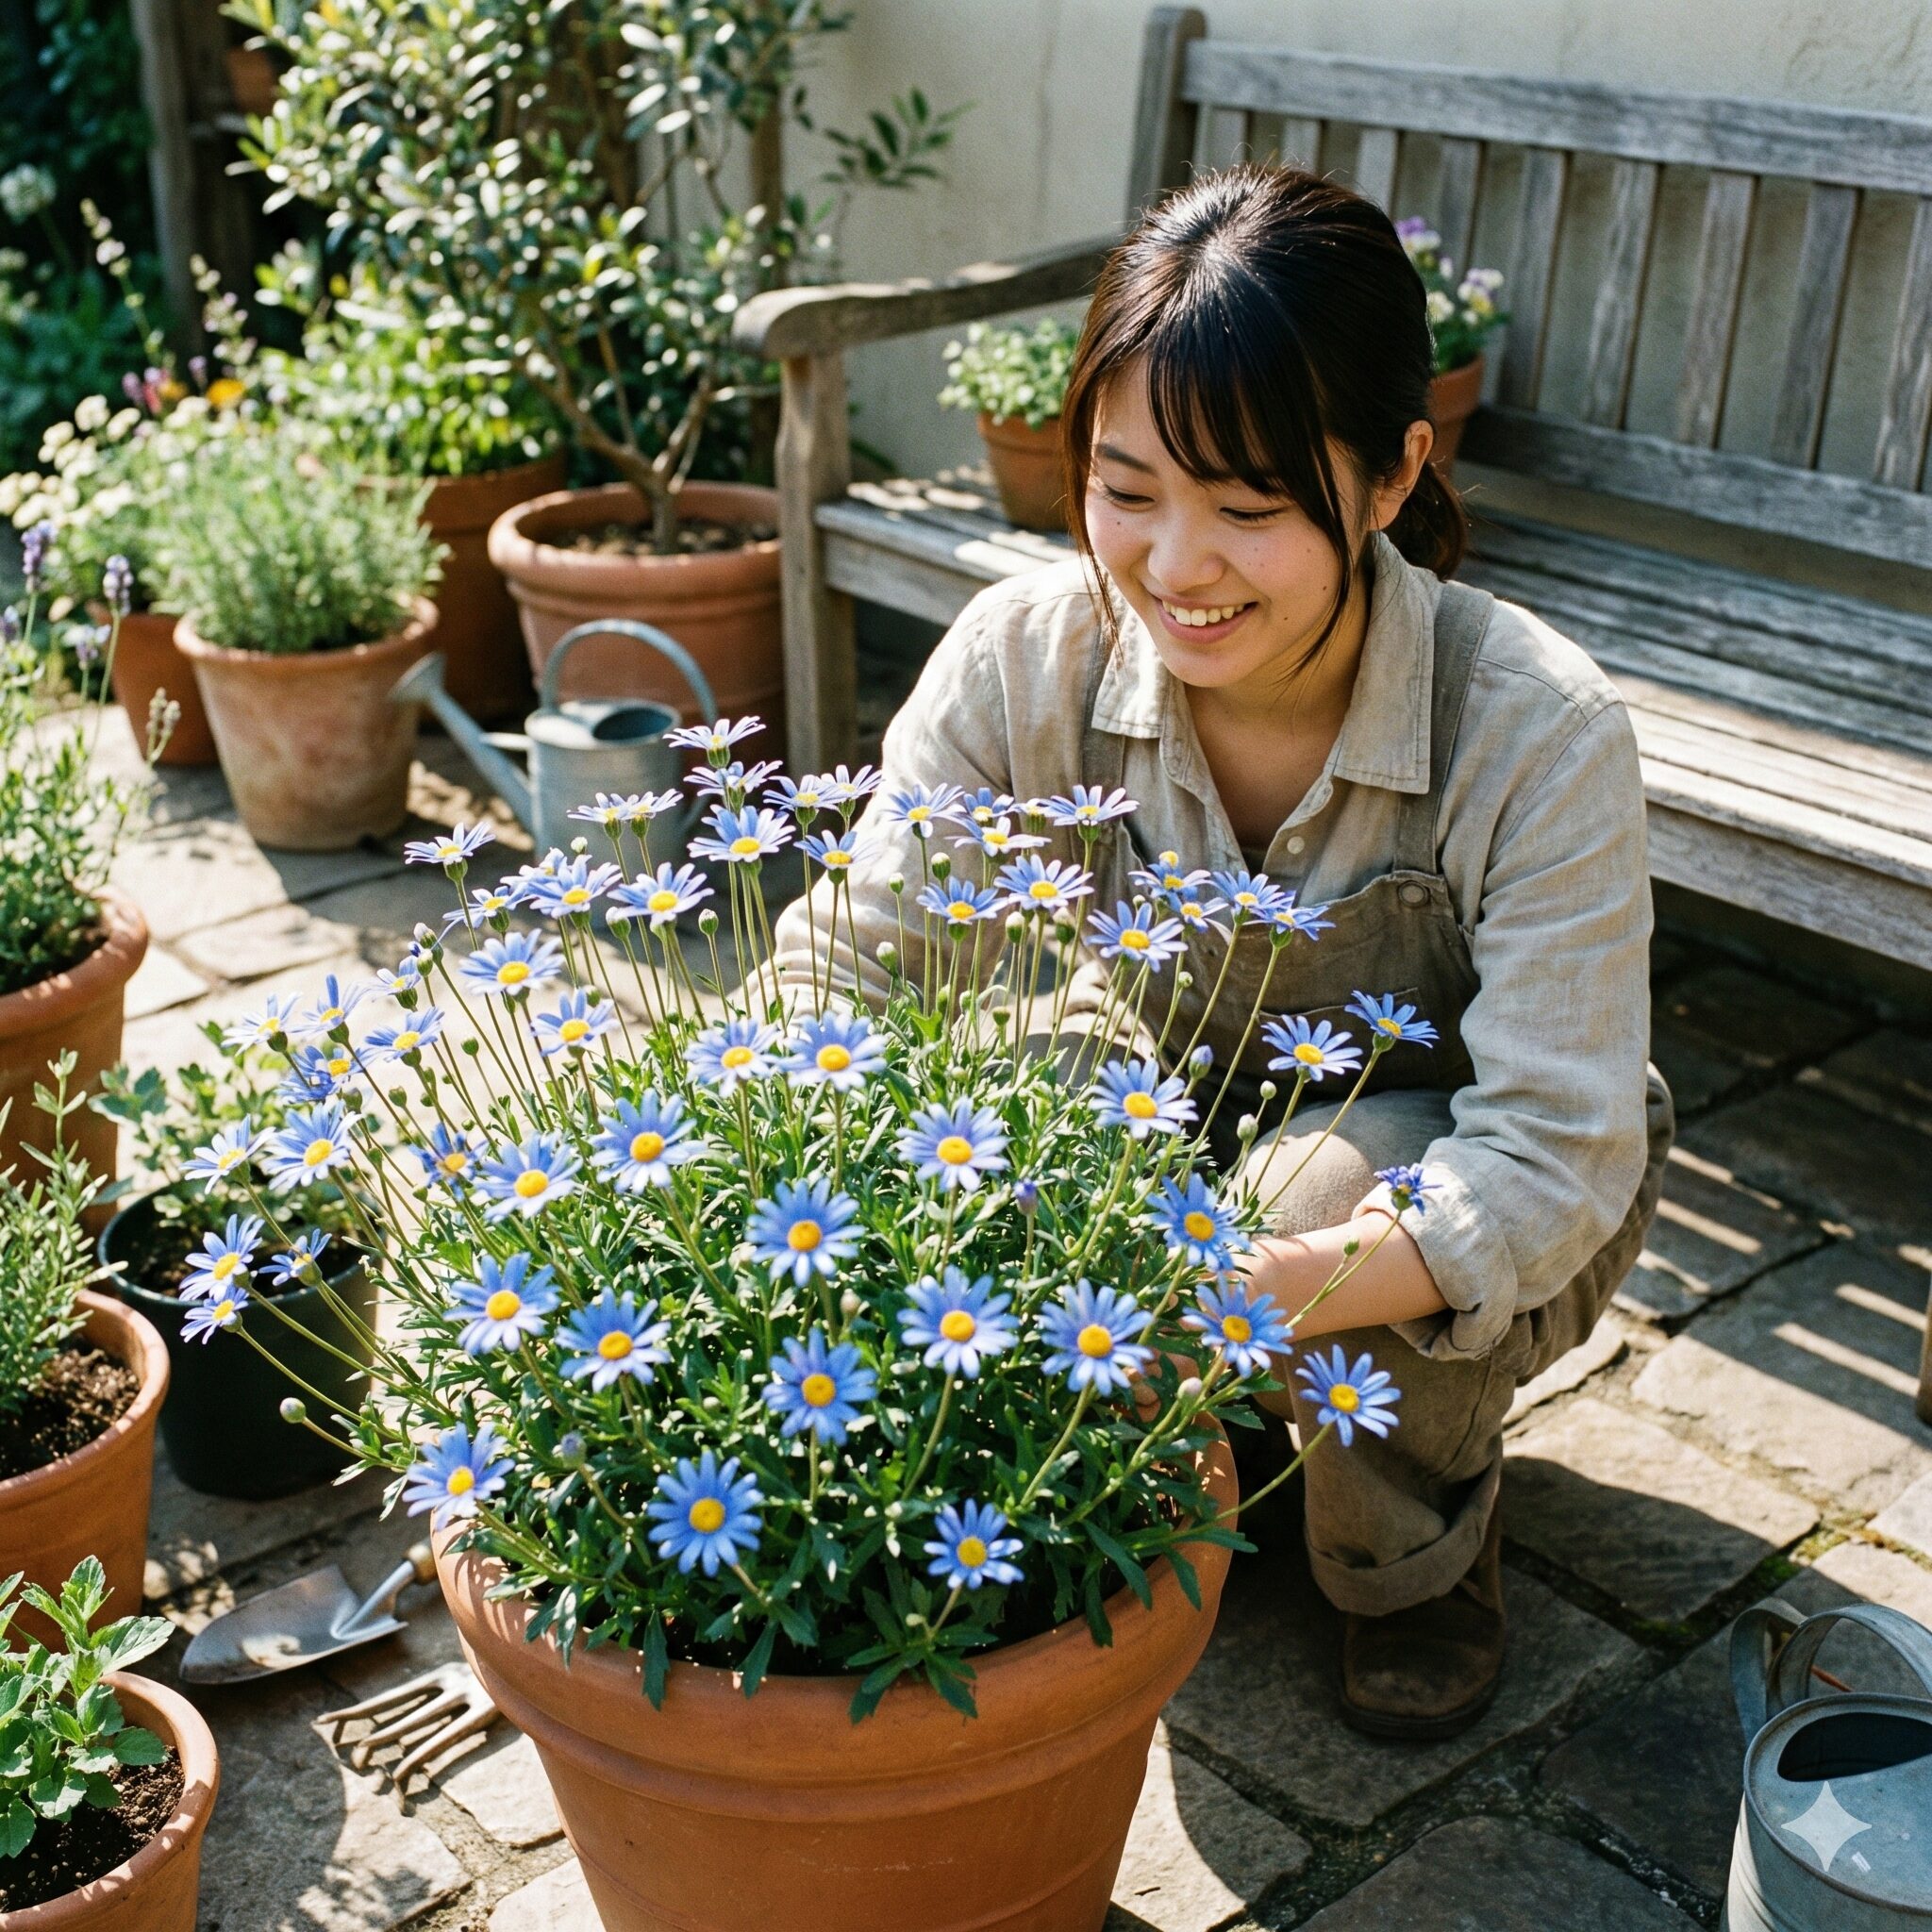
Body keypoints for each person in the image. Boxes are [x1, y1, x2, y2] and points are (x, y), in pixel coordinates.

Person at [769, 163, 1672, 1740]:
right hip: (1148, 1143)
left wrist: (1219, 1296)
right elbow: (847, 971)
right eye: (1127, 490)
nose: (1175, 565)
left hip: (1413, 1184)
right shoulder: (1020, 661)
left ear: (1394, 477)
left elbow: (1551, 1152)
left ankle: (1411, 1549)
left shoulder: (1533, 724)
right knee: (1000, 1068)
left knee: (1314, 1191)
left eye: (1250, 508)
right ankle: (1205, 1441)